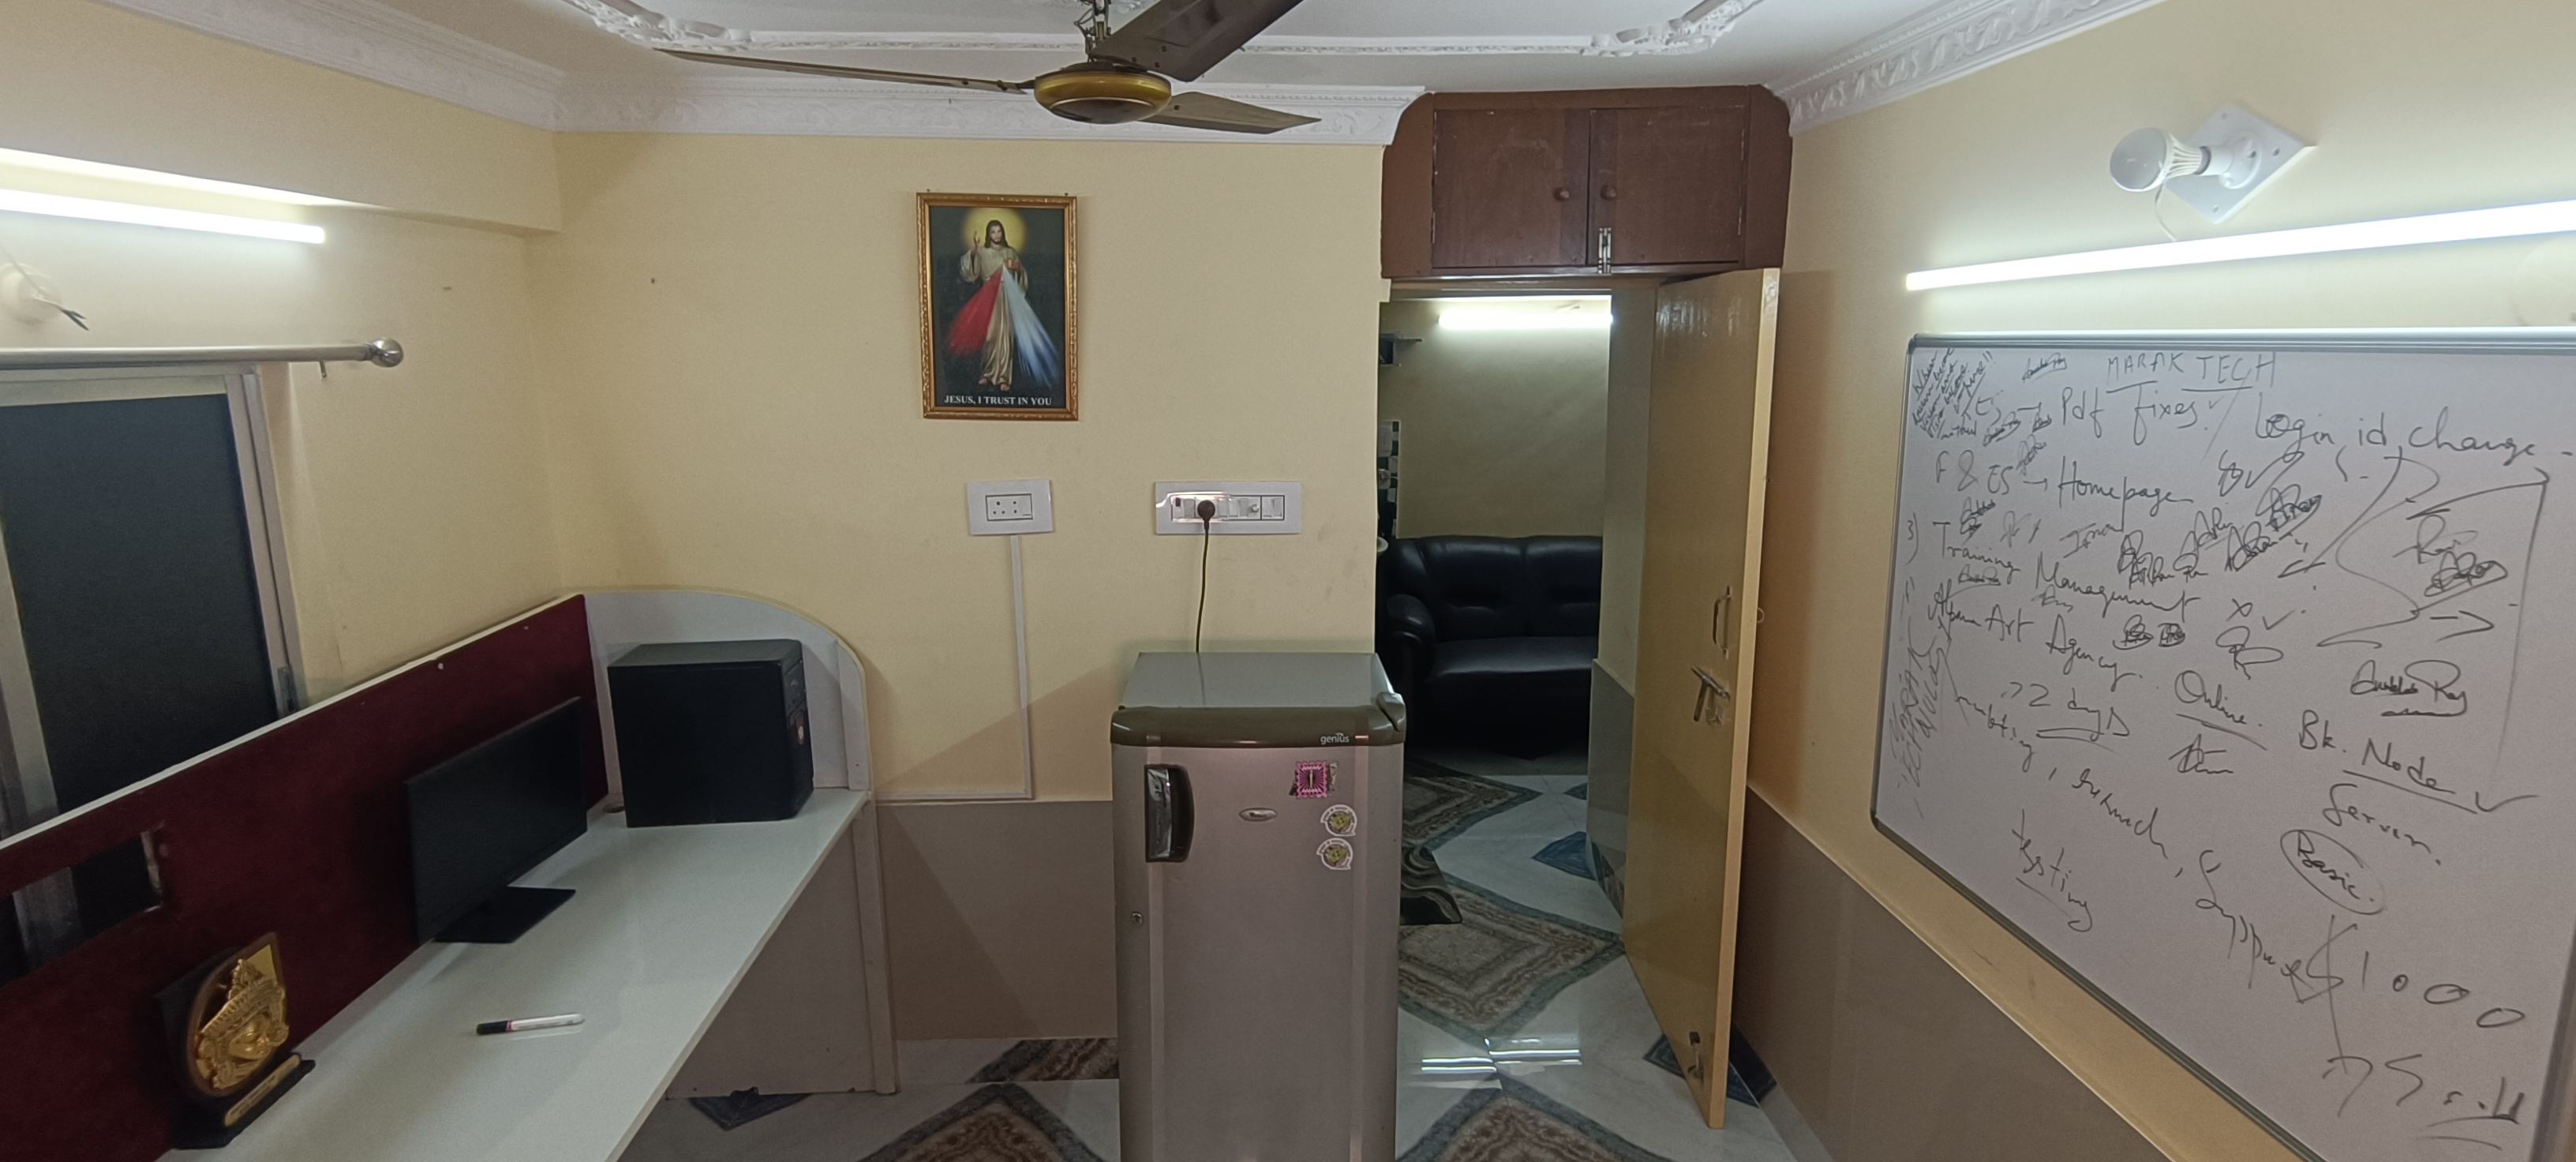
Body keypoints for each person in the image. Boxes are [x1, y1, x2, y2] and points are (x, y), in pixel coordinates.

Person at [947, 219, 1062, 392]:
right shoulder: (983, 252)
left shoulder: (1010, 252)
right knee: (990, 336)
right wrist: (974, 251)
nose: (996, 235)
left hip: (1006, 296)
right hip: (988, 297)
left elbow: (1021, 275)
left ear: (1003, 233)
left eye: (999, 231)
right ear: (989, 234)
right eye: (993, 232)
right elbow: (970, 273)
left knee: (1005, 337)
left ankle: (1003, 378)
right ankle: (988, 373)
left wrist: (1017, 269)